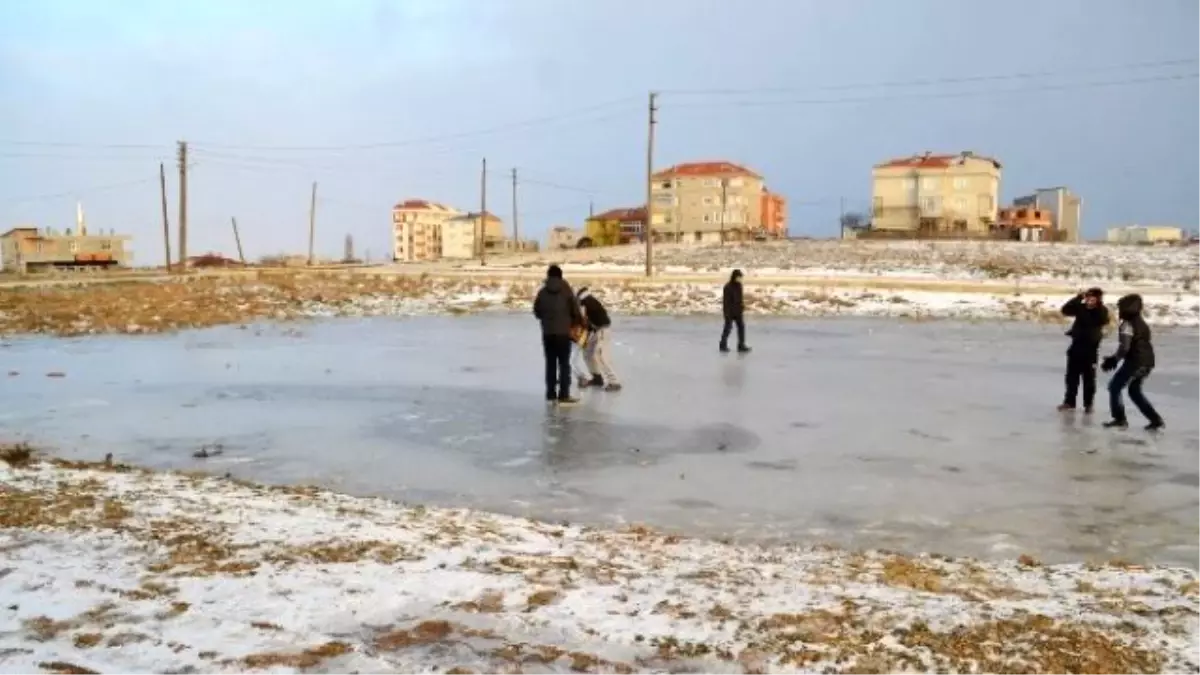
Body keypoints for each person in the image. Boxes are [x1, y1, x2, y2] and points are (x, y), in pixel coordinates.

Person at [1101, 293, 1164, 431]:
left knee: (1114, 387)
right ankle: (1155, 420)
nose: (1119, 311)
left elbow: (1125, 347)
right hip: (1147, 361)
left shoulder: (1127, 324)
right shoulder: (1141, 323)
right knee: (1134, 391)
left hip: (1135, 362)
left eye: (1120, 308)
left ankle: (1119, 419)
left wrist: (1113, 360)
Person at [533, 265, 584, 406]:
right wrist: (576, 323)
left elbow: (536, 311)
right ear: (561, 276)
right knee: (564, 364)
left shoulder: (542, 292)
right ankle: (563, 395)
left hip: (548, 334)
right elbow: (575, 311)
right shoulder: (566, 291)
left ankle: (550, 394)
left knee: (550, 364)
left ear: (548, 276)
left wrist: (546, 319)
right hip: (563, 333)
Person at [1058, 287, 1109, 413]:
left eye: (1092, 297)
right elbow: (1065, 310)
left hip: (1090, 350)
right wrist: (1077, 298)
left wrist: (1084, 308)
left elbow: (1094, 320)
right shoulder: (1081, 308)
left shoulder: (1101, 311)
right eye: (1087, 297)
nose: (1088, 300)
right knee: (1071, 378)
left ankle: (1088, 404)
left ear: (1098, 299)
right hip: (1076, 347)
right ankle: (1069, 402)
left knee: (1089, 379)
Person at [576, 286, 621, 391]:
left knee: (599, 355)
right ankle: (597, 378)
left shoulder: (586, 302)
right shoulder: (589, 301)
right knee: (587, 353)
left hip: (602, 331)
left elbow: (582, 320)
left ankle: (614, 382)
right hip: (596, 331)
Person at [720, 269, 750, 353]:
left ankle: (741, 345)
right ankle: (723, 345)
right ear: (735, 277)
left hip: (738, 311)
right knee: (727, 328)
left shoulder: (739, 286)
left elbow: (740, 299)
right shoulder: (727, 287)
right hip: (729, 311)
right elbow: (726, 301)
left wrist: (742, 307)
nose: (740, 279)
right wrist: (726, 312)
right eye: (739, 277)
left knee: (741, 328)